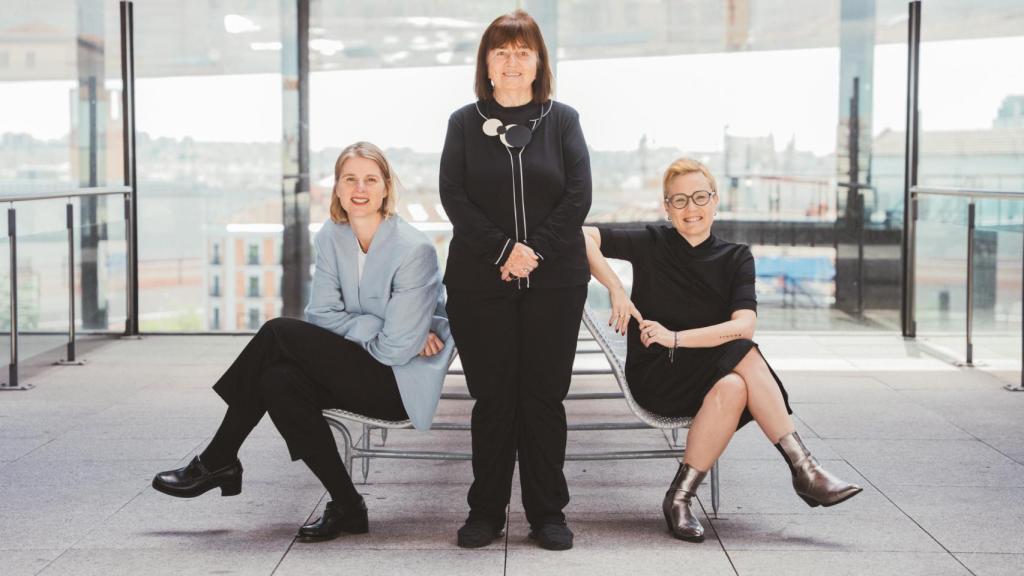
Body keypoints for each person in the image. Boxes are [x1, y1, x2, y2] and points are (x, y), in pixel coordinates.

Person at [152, 141, 454, 542]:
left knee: (278, 332)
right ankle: (348, 505)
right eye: (350, 179)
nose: (359, 189)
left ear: (386, 188)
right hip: (355, 365)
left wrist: (388, 332)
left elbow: (396, 349)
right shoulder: (333, 235)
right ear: (338, 188)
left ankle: (219, 458)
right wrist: (382, 326)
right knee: (276, 379)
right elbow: (321, 316)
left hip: (397, 383)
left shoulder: (413, 249)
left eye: (370, 179)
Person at [582, 158, 861, 542]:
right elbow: (582, 236)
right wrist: (616, 288)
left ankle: (679, 498)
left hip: (708, 374)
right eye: (678, 201)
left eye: (699, 197)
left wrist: (676, 337)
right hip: (658, 376)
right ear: (666, 207)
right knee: (742, 352)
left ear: (715, 202)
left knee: (735, 381)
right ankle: (804, 468)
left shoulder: (736, 256)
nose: (690, 208)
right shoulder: (652, 242)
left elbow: (743, 325)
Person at [439, 10, 591, 551]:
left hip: (556, 282)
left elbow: (578, 195)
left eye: (521, 51)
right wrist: (504, 250)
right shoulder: (463, 122)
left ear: (538, 62)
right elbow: (453, 196)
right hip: (481, 282)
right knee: (494, 397)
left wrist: (533, 252)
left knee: (545, 398)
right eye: (500, 51)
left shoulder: (563, 119)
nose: (511, 61)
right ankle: (486, 512)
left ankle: (548, 514)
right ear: (486, 62)